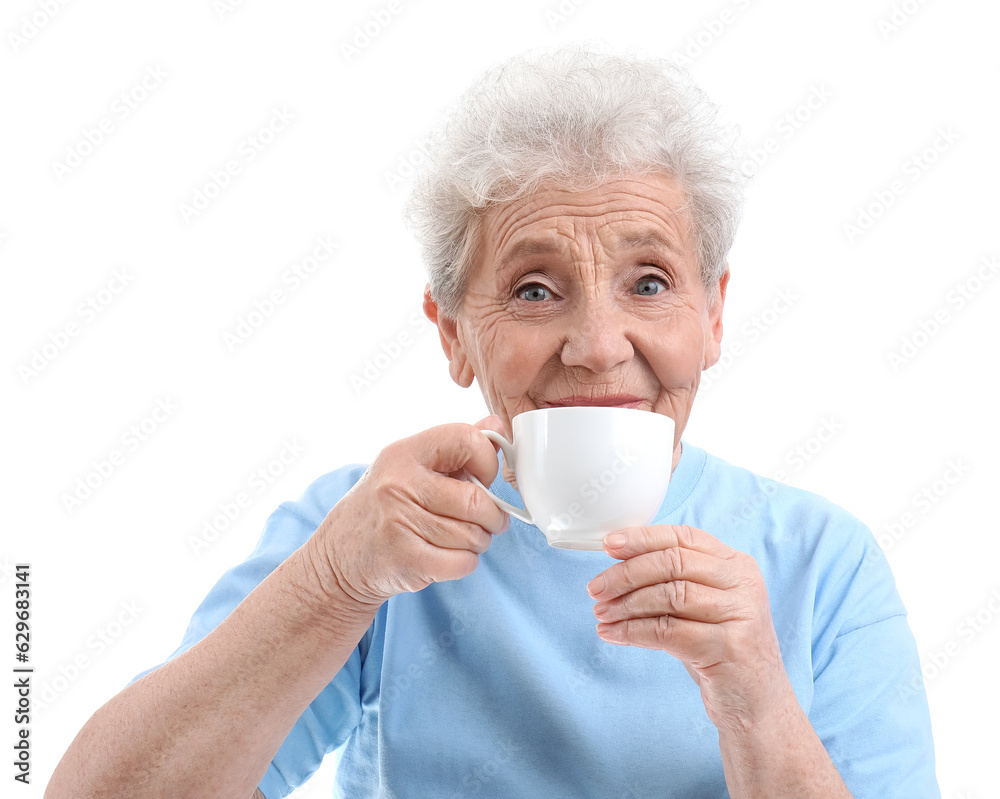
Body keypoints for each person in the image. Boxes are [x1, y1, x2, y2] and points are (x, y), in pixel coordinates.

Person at [46, 45, 940, 799]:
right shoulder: (368, 531)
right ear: (454, 334)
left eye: (651, 282)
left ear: (712, 317)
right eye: (534, 289)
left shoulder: (823, 562)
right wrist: (331, 583)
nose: (596, 344)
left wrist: (755, 696)